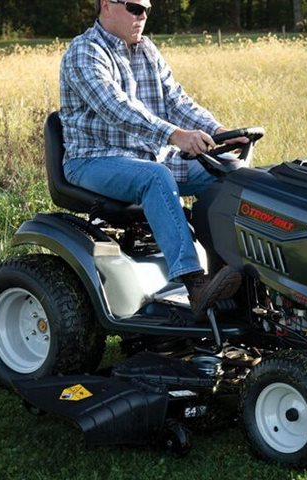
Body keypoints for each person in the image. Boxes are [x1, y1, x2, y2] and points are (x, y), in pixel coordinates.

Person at [59, 0, 244, 318]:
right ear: (107, 5)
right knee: (156, 177)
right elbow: (116, 109)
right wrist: (176, 135)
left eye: (146, 9)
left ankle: (230, 273)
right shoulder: (85, 52)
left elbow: (178, 100)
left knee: (228, 174)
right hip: (94, 159)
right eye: (134, 7)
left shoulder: (147, 50)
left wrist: (219, 131)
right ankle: (195, 284)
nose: (142, 16)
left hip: (146, 156)